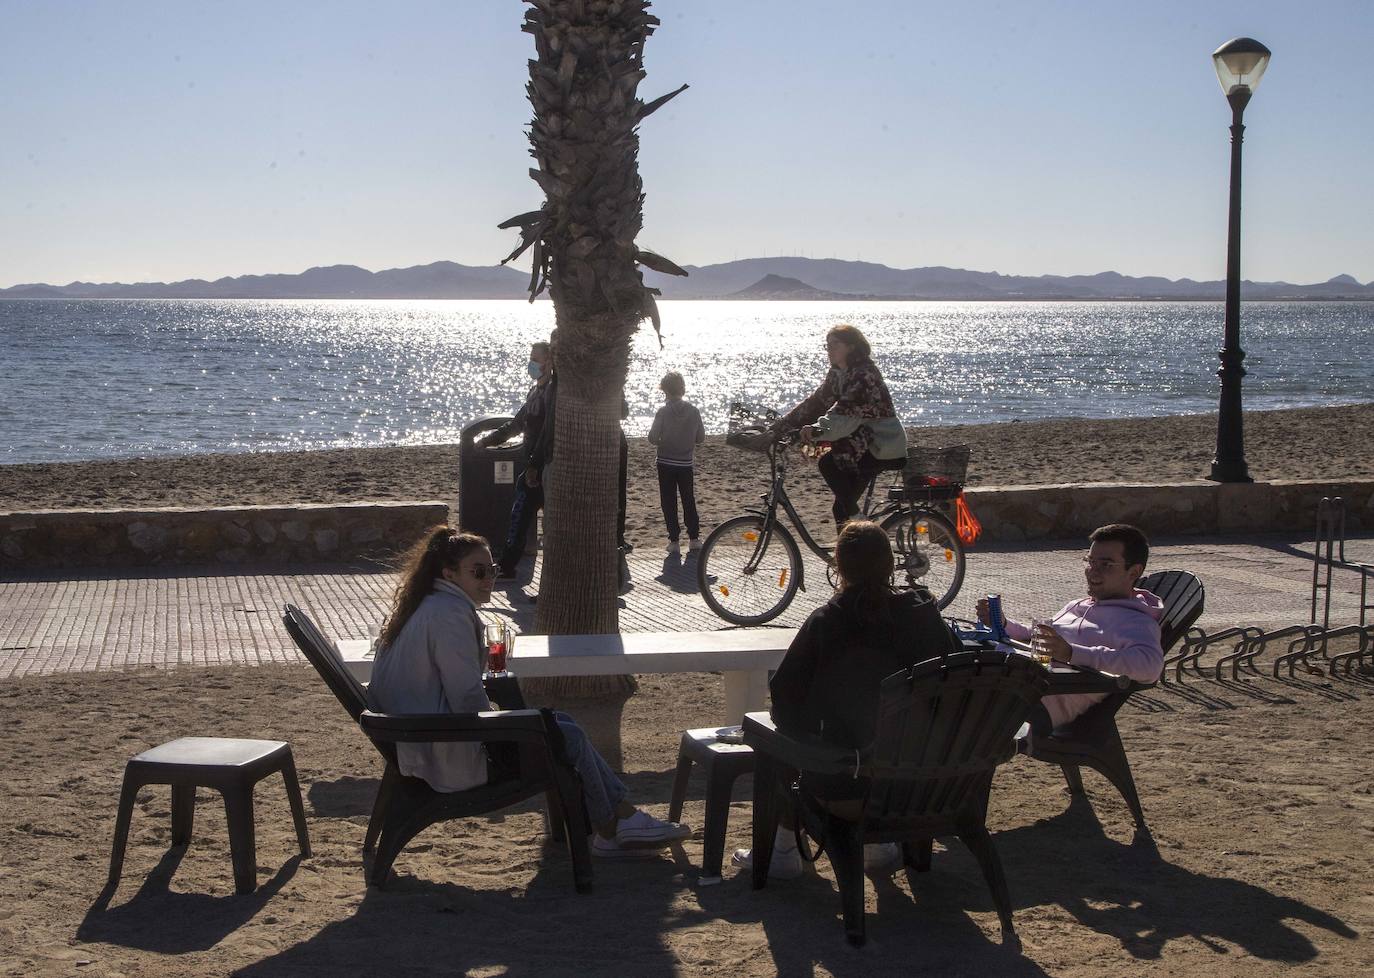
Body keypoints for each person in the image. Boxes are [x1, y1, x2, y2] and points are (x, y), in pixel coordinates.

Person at [367, 526, 691, 856]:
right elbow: (465, 698)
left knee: (560, 723)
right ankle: (614, 824)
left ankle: (619, 821)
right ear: (449, 574)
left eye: (491, 570)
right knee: (566, 734)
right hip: (444, 750)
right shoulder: (449, 616)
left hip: (420, 739)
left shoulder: (428, 607)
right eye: (478, 572)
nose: (488, 579)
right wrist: (508, 728)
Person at [732, 520, 959, 879]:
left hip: (849, 790)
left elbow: (786, 698)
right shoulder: (923, 615)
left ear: (838, 567)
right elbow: (953, 678)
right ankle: (875, 847)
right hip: (926, 787)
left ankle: (785, 848)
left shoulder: (829, 622)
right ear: (890, 565)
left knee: (780, 738)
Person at [977, 523, 1164, 737]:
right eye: (1090, 561)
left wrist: (1071, 653)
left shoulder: (1137, 621)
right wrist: (1002, 623)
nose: (1093, 570)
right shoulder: (1079, 605)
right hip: (1008, 682)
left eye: (1106, 564)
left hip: (1032, 703)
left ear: (1134, 572)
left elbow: (1150, 666)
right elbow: (1036, 637)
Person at [773, 324, 907, 531]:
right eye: (827, 345)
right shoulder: (838, 373)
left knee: (830, 467)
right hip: (860, 445)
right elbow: (817, 403)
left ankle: (860, 534)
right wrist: (781, 426)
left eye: (834, 345)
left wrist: (816, 430)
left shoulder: (865, 375)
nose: (829, 350)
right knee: (841, 508)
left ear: (851, 347)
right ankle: (850, 552)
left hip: (883, 445)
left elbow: (844, 414)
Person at [479, 341, 552, 580]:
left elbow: (547, 434)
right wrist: (486, 441)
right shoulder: (535, 392)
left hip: (543, 467)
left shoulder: (552, 392)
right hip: (531, 467)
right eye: (530, 358)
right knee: (519, 516)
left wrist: (535, 465)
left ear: (549, 362)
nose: (532, 363)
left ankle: (508, 565)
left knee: (527, 517)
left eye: (536, 359)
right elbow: (517, 424)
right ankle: (507, 566)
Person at [647, 371, 705, 555]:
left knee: (668, 500)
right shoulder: (694, 411)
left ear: (665, 391)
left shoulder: (663, 412)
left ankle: (674, 540)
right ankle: (694, 538)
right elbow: (700, 438)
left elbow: (653, 437)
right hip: (685, 463)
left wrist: (664, 438)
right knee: (688, 499)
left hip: (665, 462)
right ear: (682, 389)